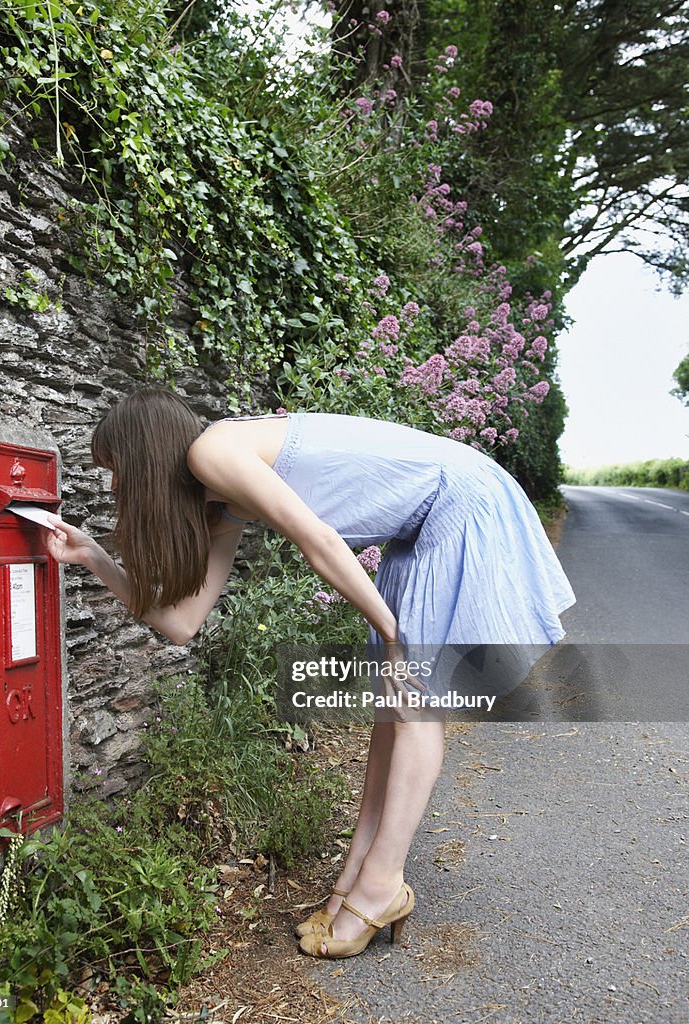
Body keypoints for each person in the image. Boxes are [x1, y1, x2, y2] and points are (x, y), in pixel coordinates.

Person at [45, 386, 575, 959]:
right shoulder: (219, 500)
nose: (114, 486)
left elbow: (320, 541)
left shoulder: (213, 451)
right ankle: (355, 880)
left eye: (115, 468)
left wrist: (395, 639)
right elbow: (182, 623)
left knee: (414, 705)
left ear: (143, 456)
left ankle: (380, 888)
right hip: (418, 528)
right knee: (391, 712)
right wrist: (93, 557)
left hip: (459, 500)